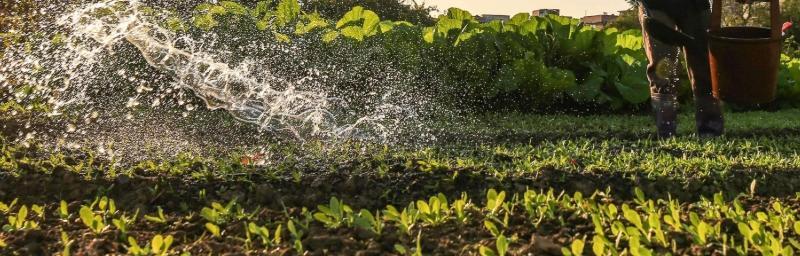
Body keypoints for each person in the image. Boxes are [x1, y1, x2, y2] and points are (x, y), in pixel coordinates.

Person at [637, 0, 724, 138]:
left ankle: (710, 131)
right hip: (655, 5)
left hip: (696, 6)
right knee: (663, 68)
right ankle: (666, 132)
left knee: (705, 66)